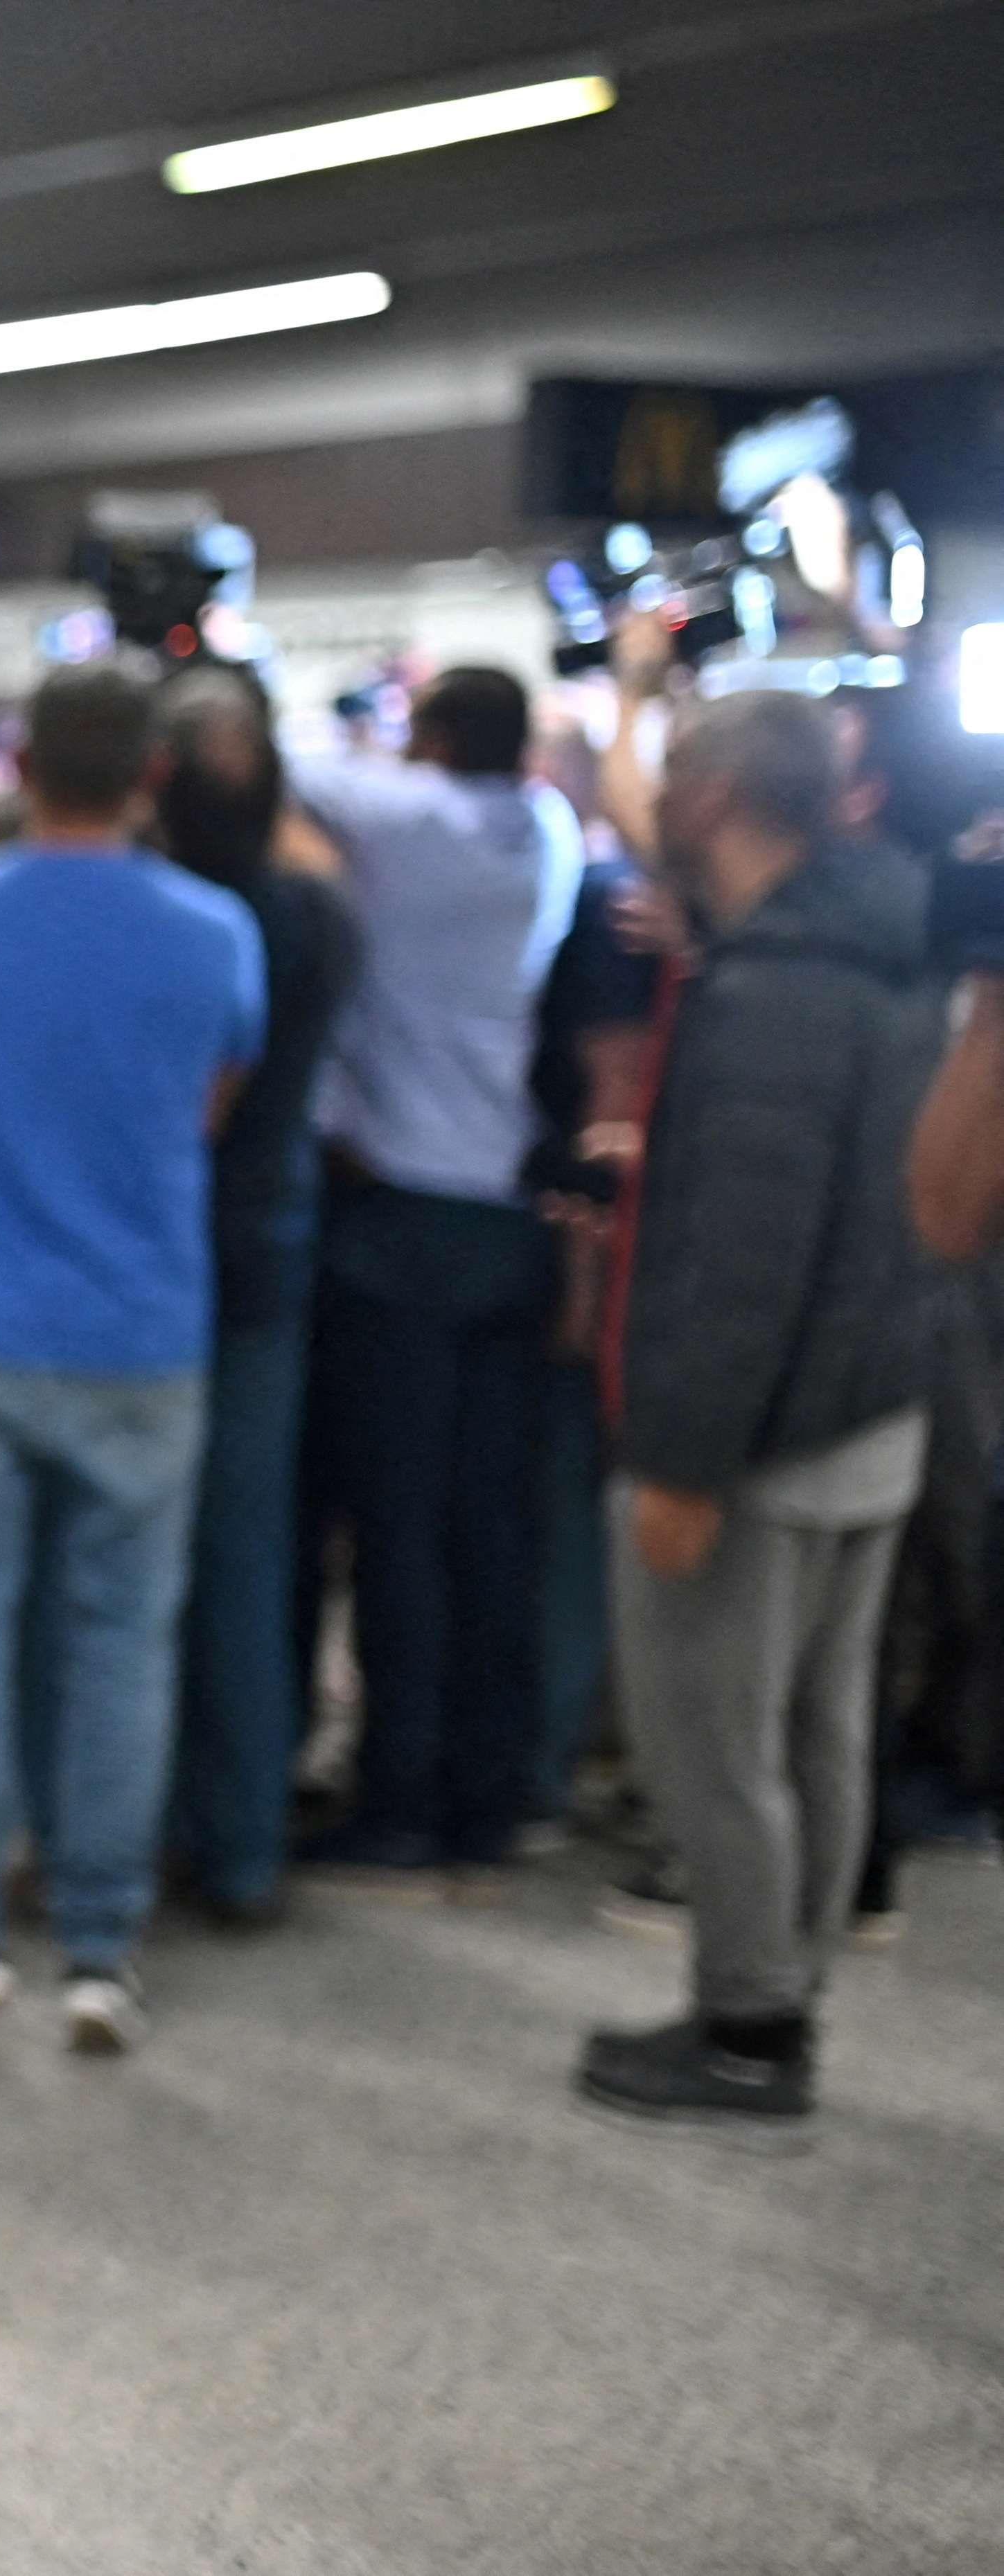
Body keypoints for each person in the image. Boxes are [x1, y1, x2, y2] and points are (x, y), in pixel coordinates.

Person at [0, 661, 263, 2062]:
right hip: (141, 1326)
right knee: (118, 1641)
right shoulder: (213, 932)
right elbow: (212, 1100)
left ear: (18, 768)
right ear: (151, 774)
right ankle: (99, 1944)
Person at [579, 691, 942, 2145]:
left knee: (712, 1738)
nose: (653, 797)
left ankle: (742, 2025)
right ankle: (781, 1993)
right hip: (877, 1399)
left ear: (720, 799)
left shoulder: (768, 993)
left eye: (670, 774)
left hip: (758, 1429)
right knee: (817, 1725)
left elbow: (742, 1247)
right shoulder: (888, 944)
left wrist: (679, 1456)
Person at [289, 666, 586, 1895]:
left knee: (399, 1535)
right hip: (506, 1215)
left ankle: (398, 1794)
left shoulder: (408, 824)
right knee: (491, 1526)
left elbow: (282, 754)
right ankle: (493, 1786)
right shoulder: (554, 832)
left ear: (432, 737)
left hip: (402, 1218)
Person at [146, 670, 360, 1930]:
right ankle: (239, 1841)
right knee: (246, 1558)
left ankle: (141, 1815)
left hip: (152, 1264)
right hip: (269, 1257)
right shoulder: (320, 922)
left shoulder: (166, 926)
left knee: (130, 1567)